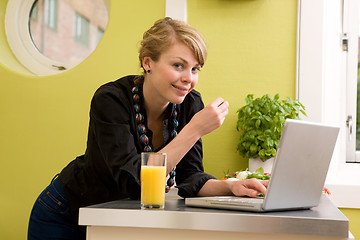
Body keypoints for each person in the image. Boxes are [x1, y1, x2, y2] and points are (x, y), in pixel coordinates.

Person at [28, 17, 268, 240]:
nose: (189, 78)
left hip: (116, 217)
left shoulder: (190, 104)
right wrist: (194, 130)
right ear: (147, 62)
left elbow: (190, 177)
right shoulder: (110, 100)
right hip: (64, 212)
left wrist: (230, 186)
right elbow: (135, 183)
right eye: (178, 65)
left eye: (195, 69)